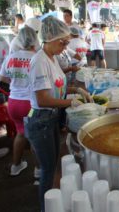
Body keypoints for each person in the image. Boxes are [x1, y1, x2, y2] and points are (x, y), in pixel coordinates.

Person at [26, 16, 92, 211]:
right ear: (49, 39)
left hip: (51, 117)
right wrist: (70, 102)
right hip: (40, 119)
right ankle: (46, 206)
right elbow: (43, 99)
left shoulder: (52, 58)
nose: (65, 47)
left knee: (53, 163)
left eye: (67, 42)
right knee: (48, 169)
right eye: (62, 42)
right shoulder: (39, 62)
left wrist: (76, 90)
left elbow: (58, 86)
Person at [0, 26, 39, 176]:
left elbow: (2, 78)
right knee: (35, 136)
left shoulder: (11, 57)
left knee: (20, 133)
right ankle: (39, 169)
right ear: (35, 39)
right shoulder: (36, 57)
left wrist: (15, 82)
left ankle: (15, 166)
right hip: (31, 103)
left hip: (13, 102)